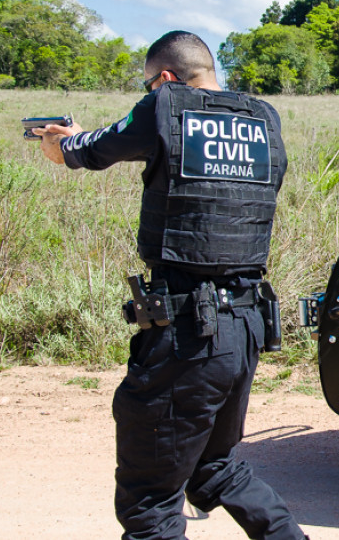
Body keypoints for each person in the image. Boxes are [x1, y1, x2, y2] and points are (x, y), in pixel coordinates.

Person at [34, 30, 306, 540]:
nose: (149, 93)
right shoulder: (263, 118)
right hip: (245, 325)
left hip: (187, 333)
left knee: (149, 503)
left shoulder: (164, 104)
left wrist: (61, 144)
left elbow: (90, 151)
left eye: (148, 84)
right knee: (214, 468)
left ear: (165, 77)